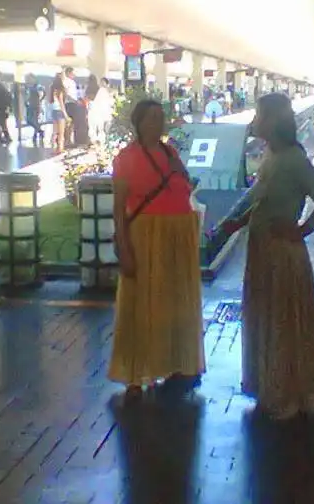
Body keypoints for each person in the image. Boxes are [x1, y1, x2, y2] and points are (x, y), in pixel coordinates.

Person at [220, 93, 314, 419]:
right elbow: (263, 200)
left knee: (282, 321)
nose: (254, 121)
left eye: (259, 115)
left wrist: (301, 230)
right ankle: (277, 385)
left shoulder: (292, 159)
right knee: (274, 318)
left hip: (281, 253)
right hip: (264, 249)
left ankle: (287, 392)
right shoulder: (273, 155)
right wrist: (239, 222)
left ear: (272, 120)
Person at [109, 99, 205, 401]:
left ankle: (175, 363)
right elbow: (118, 209)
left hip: (177, 234)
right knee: (141, 303)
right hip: (145, 235)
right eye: (150, 118)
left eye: (160, 117)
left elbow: (185, 187)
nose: (157, 123)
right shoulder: (126, 158)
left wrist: (180, 170)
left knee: (175, 304)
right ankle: (136, 371)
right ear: (138, 123)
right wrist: (123, 246)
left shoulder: (170, 152)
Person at [89, 77, 114, 143]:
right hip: (101, 111)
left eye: (103, 82)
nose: (101, 83)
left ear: (106, 83)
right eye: (101, 82)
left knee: (107, 126)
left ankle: (106, 140)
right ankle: (102, 141)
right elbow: (97, 101)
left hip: (107, 111)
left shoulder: (109, 90)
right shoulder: (100, 90)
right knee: (101, 127)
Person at [49, 73, 68, 154]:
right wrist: (66, 115)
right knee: (61, 132)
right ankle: (60, 148)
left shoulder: (52, 89)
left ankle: (53, 148)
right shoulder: (60, 90)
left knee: (54, 132)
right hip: (60, 111)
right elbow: (61, 103)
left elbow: (50, 102)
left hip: (54, 111)